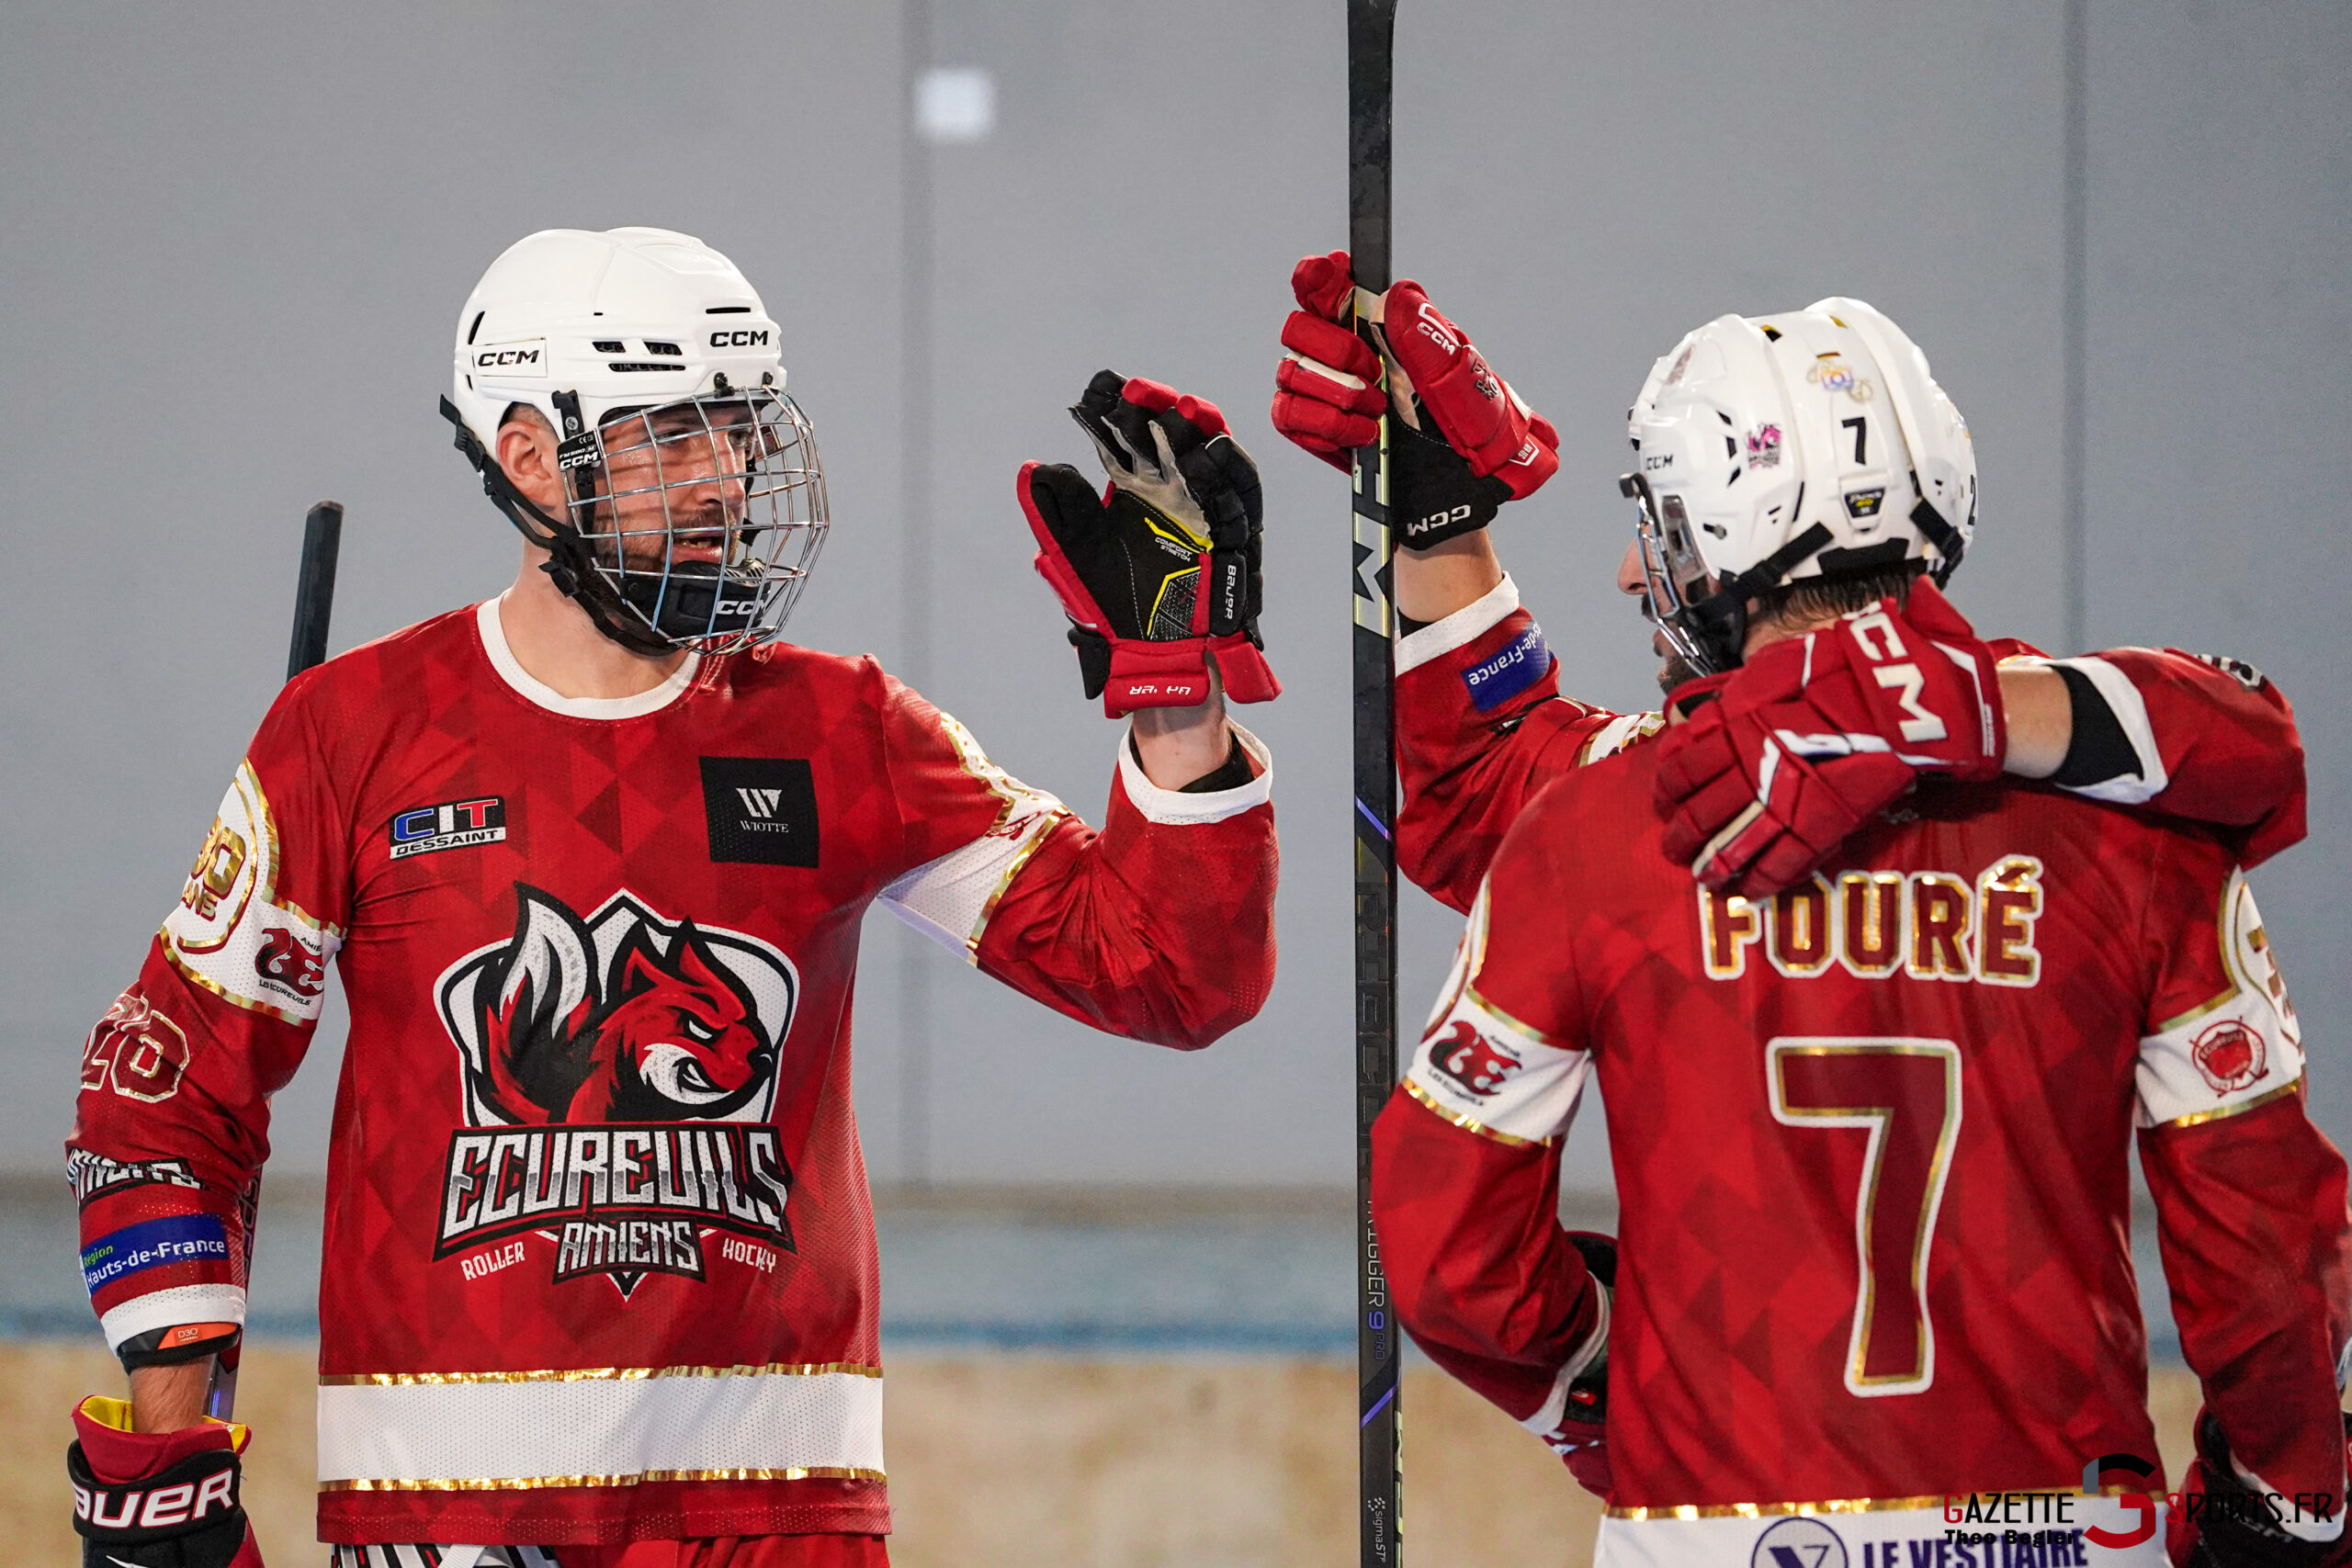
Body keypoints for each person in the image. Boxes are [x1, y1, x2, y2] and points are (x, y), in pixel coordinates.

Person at [65, 226, 1283, 1568]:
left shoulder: (845, 728)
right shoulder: (349, 732)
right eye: (672, 436)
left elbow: (1171, 973)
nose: (725, 478)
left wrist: (1177, 701)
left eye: (740, 432)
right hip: (448, 1520)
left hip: (776, 1519)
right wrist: (169, 1459)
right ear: (530, 458)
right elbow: (166, 1095)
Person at [1338, 295, 2350, 1564]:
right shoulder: (2147, 828)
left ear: (1713, 539)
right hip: (2068, 1531)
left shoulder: (1606, 826)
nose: (1631, 571)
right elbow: (2267, 1251)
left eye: (1653, 526)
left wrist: (1601, 1385)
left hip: (1717, 1529)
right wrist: (2282, 1509)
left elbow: (1447, 1248)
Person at [1269, 253, 2307, 918]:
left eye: (1659, 528)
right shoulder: (2109, 805)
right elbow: (2250, 742)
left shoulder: (1679, 802)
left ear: (1734, 534)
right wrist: (1439, 514)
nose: (1631, 572)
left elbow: (1477, 795)